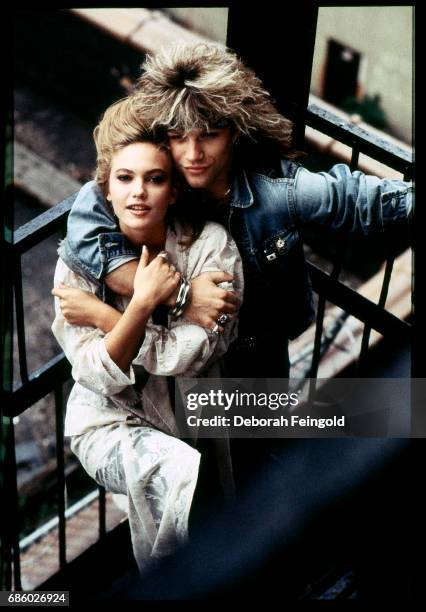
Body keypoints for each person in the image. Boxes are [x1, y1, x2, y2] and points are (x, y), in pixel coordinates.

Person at [56, 43, 412, 488]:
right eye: (178, 136)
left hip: (251, 353)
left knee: (262, 464)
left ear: (235, 131)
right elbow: (88, 221)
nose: (193, 153)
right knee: (193, 474)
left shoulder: (277, 192)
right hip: (172, 367)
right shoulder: (148, 182)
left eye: (209, 134)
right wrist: (180, 296)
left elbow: (361, 199)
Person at [51, 96, 244, 574]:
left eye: (155, 179)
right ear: (106, 191)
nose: (139, 192)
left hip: (195, 410)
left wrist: (110, 317)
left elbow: (194, 353)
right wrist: (142, 304)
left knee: (352, 412)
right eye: (125, 179)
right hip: (108, 423)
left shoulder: (209, 248)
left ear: (173, 191)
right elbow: (98, 375)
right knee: (181, 476)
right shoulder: (76, 267)